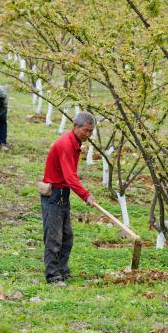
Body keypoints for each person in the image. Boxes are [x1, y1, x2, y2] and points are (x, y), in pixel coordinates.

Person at [40, 111, 97, 285]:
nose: (88, 134)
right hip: (54, 194)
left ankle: (62, 270)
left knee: (67, 236)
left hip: (63, 194)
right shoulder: (66, 144)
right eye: (85, 130)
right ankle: (52, 275)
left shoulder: (76, 143)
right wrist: (85, 195)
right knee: (54, 237)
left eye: (91, 131)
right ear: (75, 126)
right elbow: (70, 176)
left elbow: (69, 177)